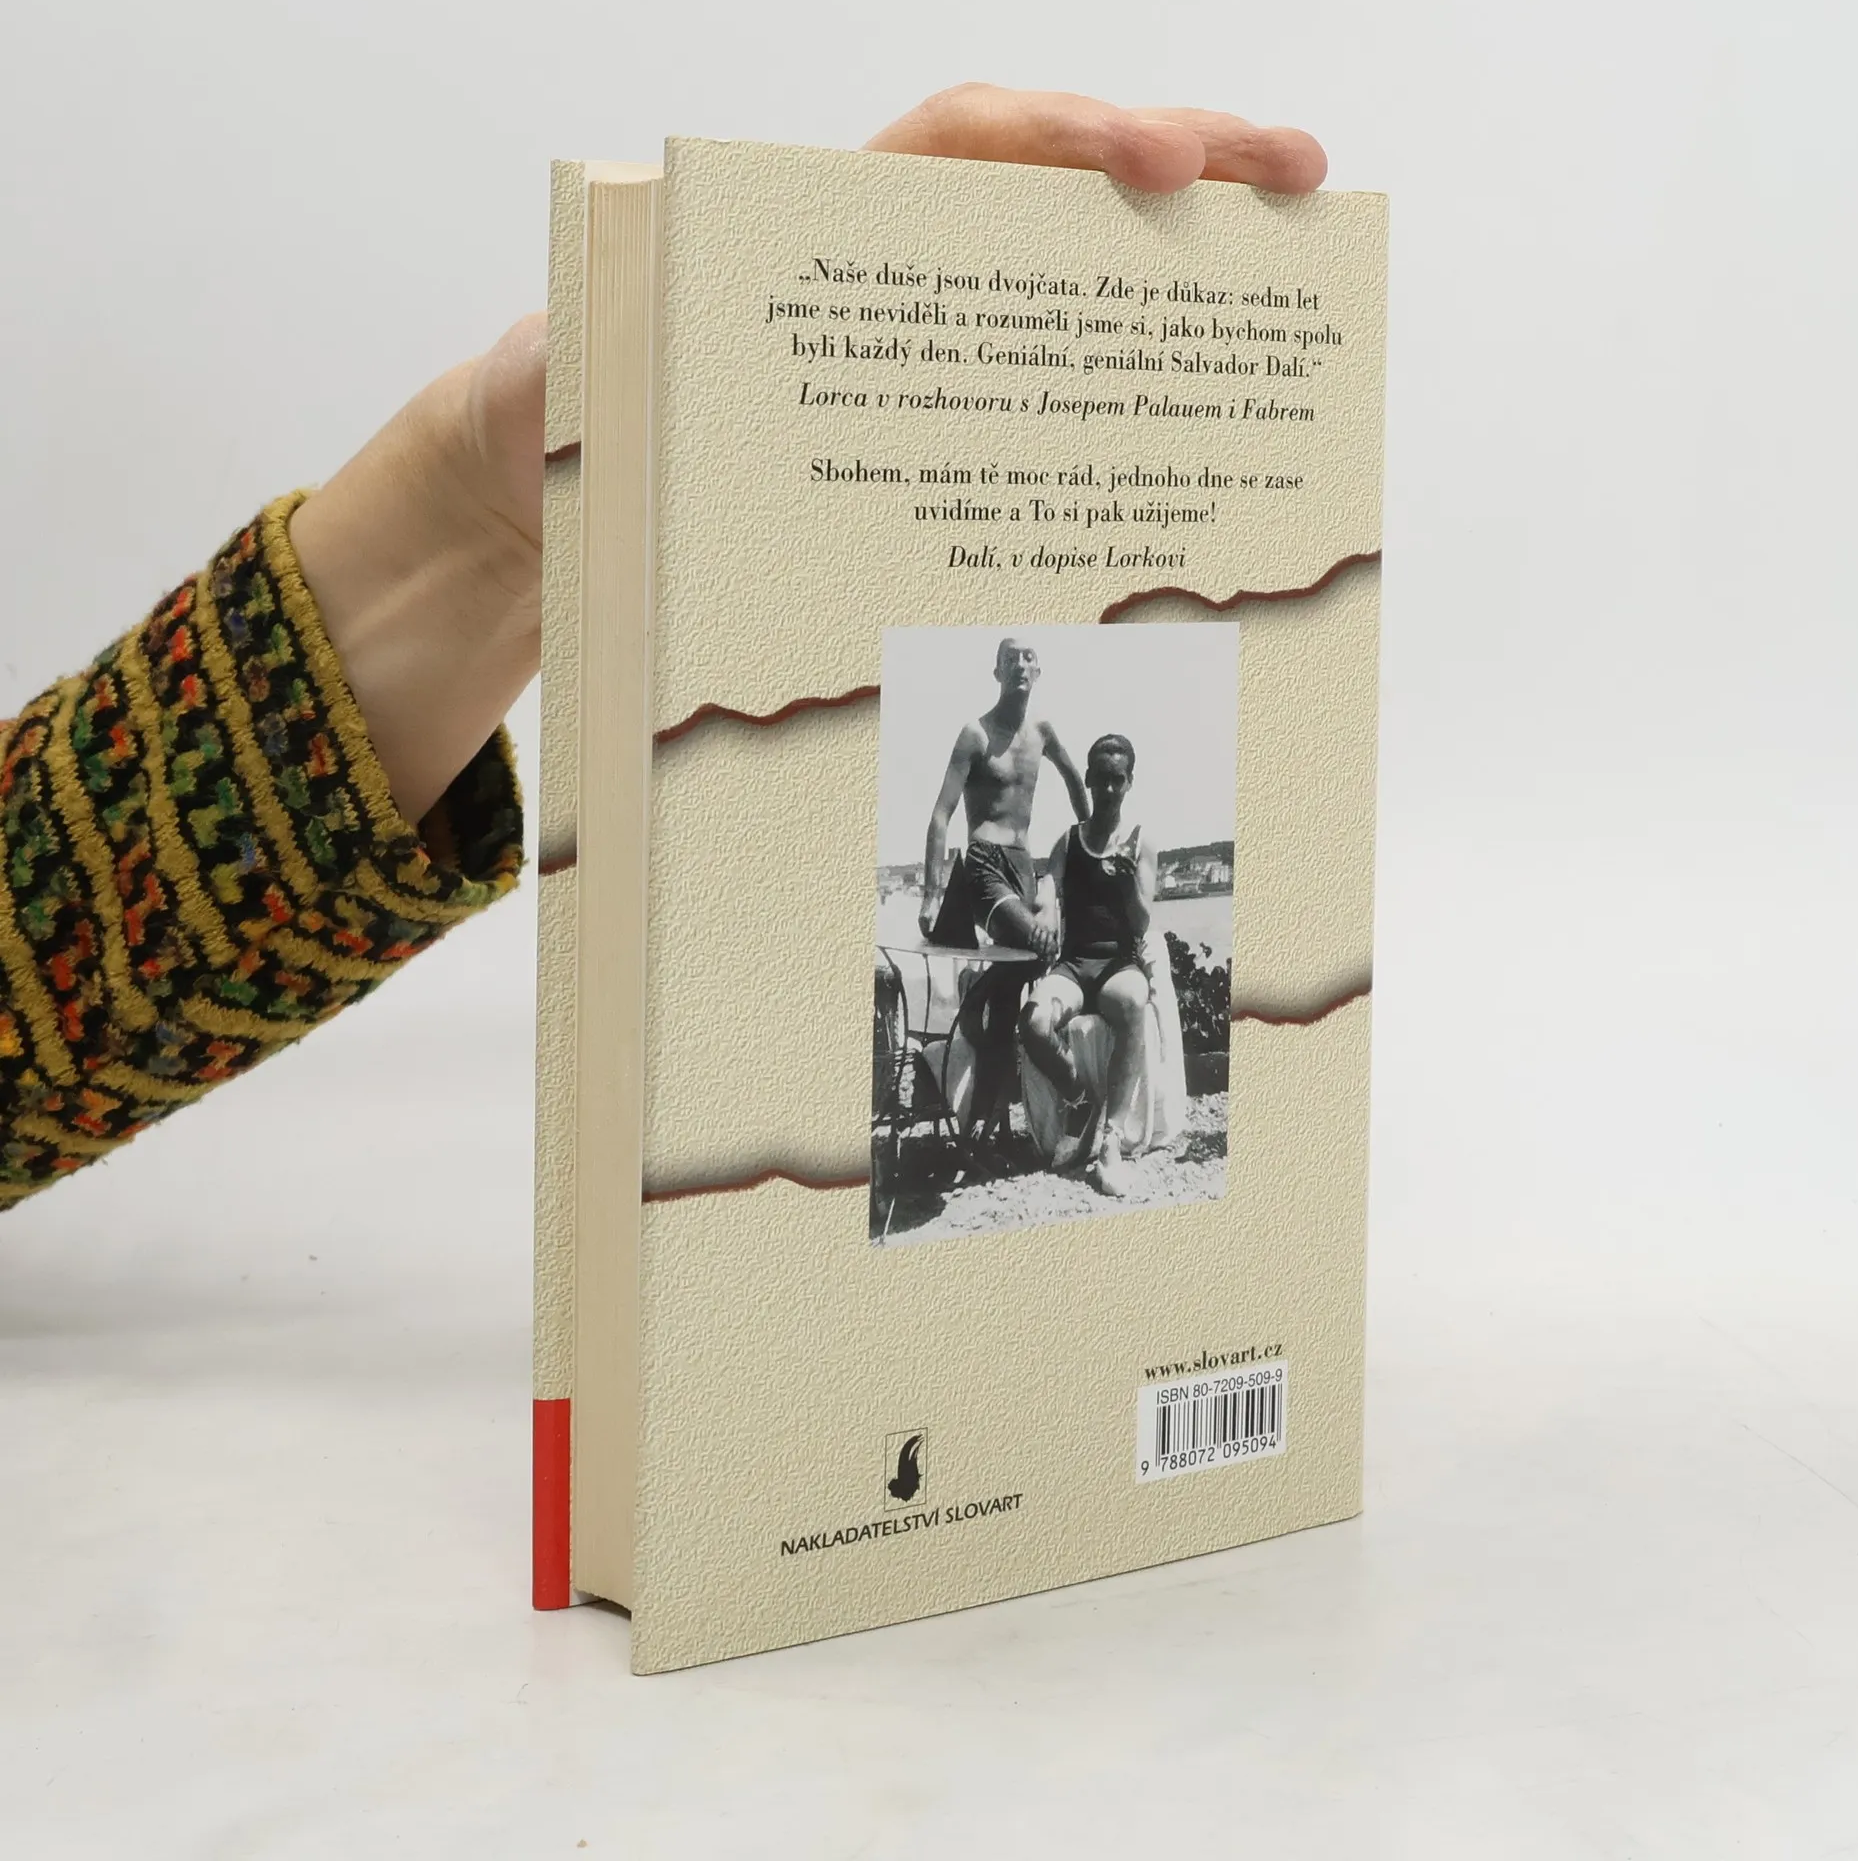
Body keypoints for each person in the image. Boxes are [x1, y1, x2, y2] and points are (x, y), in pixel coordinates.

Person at [0, 86, 1327, 1209]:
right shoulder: (988, 736)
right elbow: (942, 813)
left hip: (1030, 893)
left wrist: (482, 511)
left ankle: (1075, 1134)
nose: (1032, 680)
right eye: (1022, 667)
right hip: (983, 881)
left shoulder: (1054, 750)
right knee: (1003, 980)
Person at [1022, 736, 1161, 1196]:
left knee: (1133, 1001)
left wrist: (1127, 884)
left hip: (1117, 965)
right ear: (1087, 779)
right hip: (1074, 965)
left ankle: (1111, 1140)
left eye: (1117, 779)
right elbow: (1048, 888)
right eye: (1100, 779)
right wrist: (1045, 910)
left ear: (1129, 782)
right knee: (1034, 1022)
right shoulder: (1068, 841)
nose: (1109, 789)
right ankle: (1082, 1100)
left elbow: (1141, 923)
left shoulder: (1140, 843)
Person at [919, 637, 1087, 952]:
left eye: (1028, 657)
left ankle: (973, 984)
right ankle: (975, 985)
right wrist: (932, 895)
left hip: (1023, 863)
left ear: (1037, 672)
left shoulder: (1042, 732)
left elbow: (1074, 781)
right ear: (997, 672)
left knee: (1028, 963)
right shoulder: (975, 734)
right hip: (985, 862)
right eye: (1010, 659)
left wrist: (1088, 842)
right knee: (1040, 944)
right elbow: (941, 814)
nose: (1020, 665)